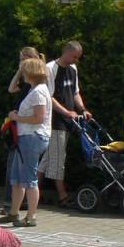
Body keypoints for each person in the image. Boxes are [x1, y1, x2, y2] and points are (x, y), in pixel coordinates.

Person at [0, 57, 51, 228]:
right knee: (16, 178)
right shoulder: (35, 90)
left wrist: (17, 117)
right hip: (25, 137)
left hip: (32, 137)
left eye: (25, 71)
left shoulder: (38, 92)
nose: (23, 75)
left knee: (29, 179)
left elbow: (39, 118)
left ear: (32, 73)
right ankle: (13, 213)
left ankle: (31, 216)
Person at [39, 41, 90, 207]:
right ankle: (62, 196)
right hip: (54, 121)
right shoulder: (50, 68)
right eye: (74, 56)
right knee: (58, 159)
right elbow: (49, 97)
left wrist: (82, 109)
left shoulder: (73, 69)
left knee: (47, 160)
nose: (76, 60)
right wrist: (67, 112)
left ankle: (31, 193)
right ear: (66, 52)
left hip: (69, 120)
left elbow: (75, 92)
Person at [2, 46, 40, 216]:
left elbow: (39, 114)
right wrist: (19, 71)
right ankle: (13, 206)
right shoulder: (26, 82)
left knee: (26, 174)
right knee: (15, 170)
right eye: (20, 59)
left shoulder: (38, 84)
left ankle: (27, 211)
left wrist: (18, 118)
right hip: (19, 127)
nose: (22, 62)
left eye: (24, 59)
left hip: (28, 129)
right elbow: (11, 89)